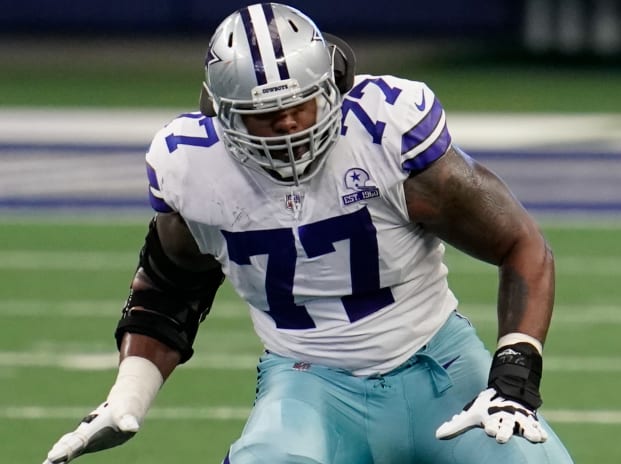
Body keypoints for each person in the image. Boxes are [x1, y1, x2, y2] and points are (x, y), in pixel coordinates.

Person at [42, 3, 574, 464]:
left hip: (439, 364)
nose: (290, 128)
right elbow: (170, 288)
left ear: (332, 89)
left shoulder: (382, 133)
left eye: (300, 107)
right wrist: (127, 398)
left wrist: (512, 382)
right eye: (265, 117)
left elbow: (521, 244)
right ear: (222, 115)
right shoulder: (195, 168)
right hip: (307, 384)